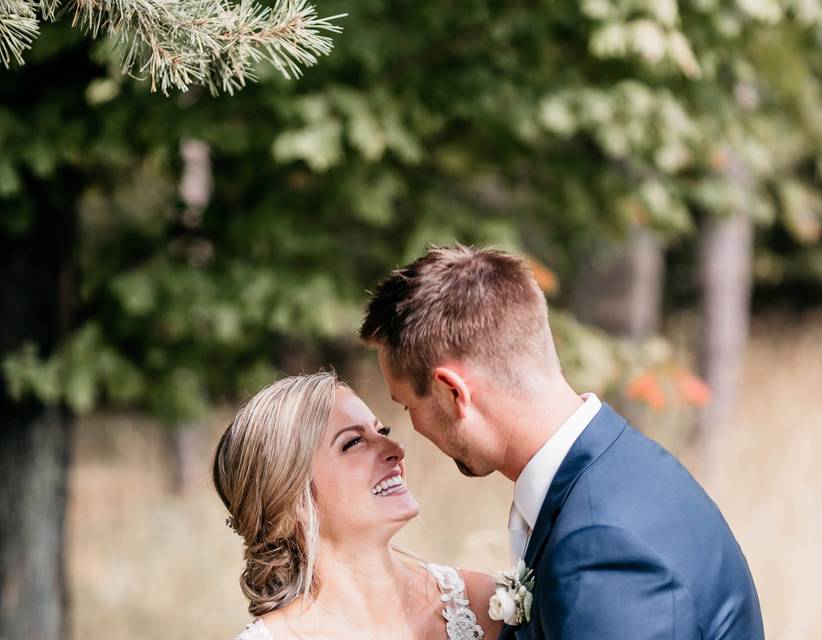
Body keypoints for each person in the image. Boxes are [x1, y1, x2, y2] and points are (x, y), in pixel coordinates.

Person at [360, 245, 765, 639]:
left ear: (453, 393)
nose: (411, 429)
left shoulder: (601, 546)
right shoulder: (624, 466)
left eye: (407, 405)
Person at [213, 372, 500, 640]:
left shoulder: (480, 603)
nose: (395, 450)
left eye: (382, 430)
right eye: (353, 442)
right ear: (291, 496)